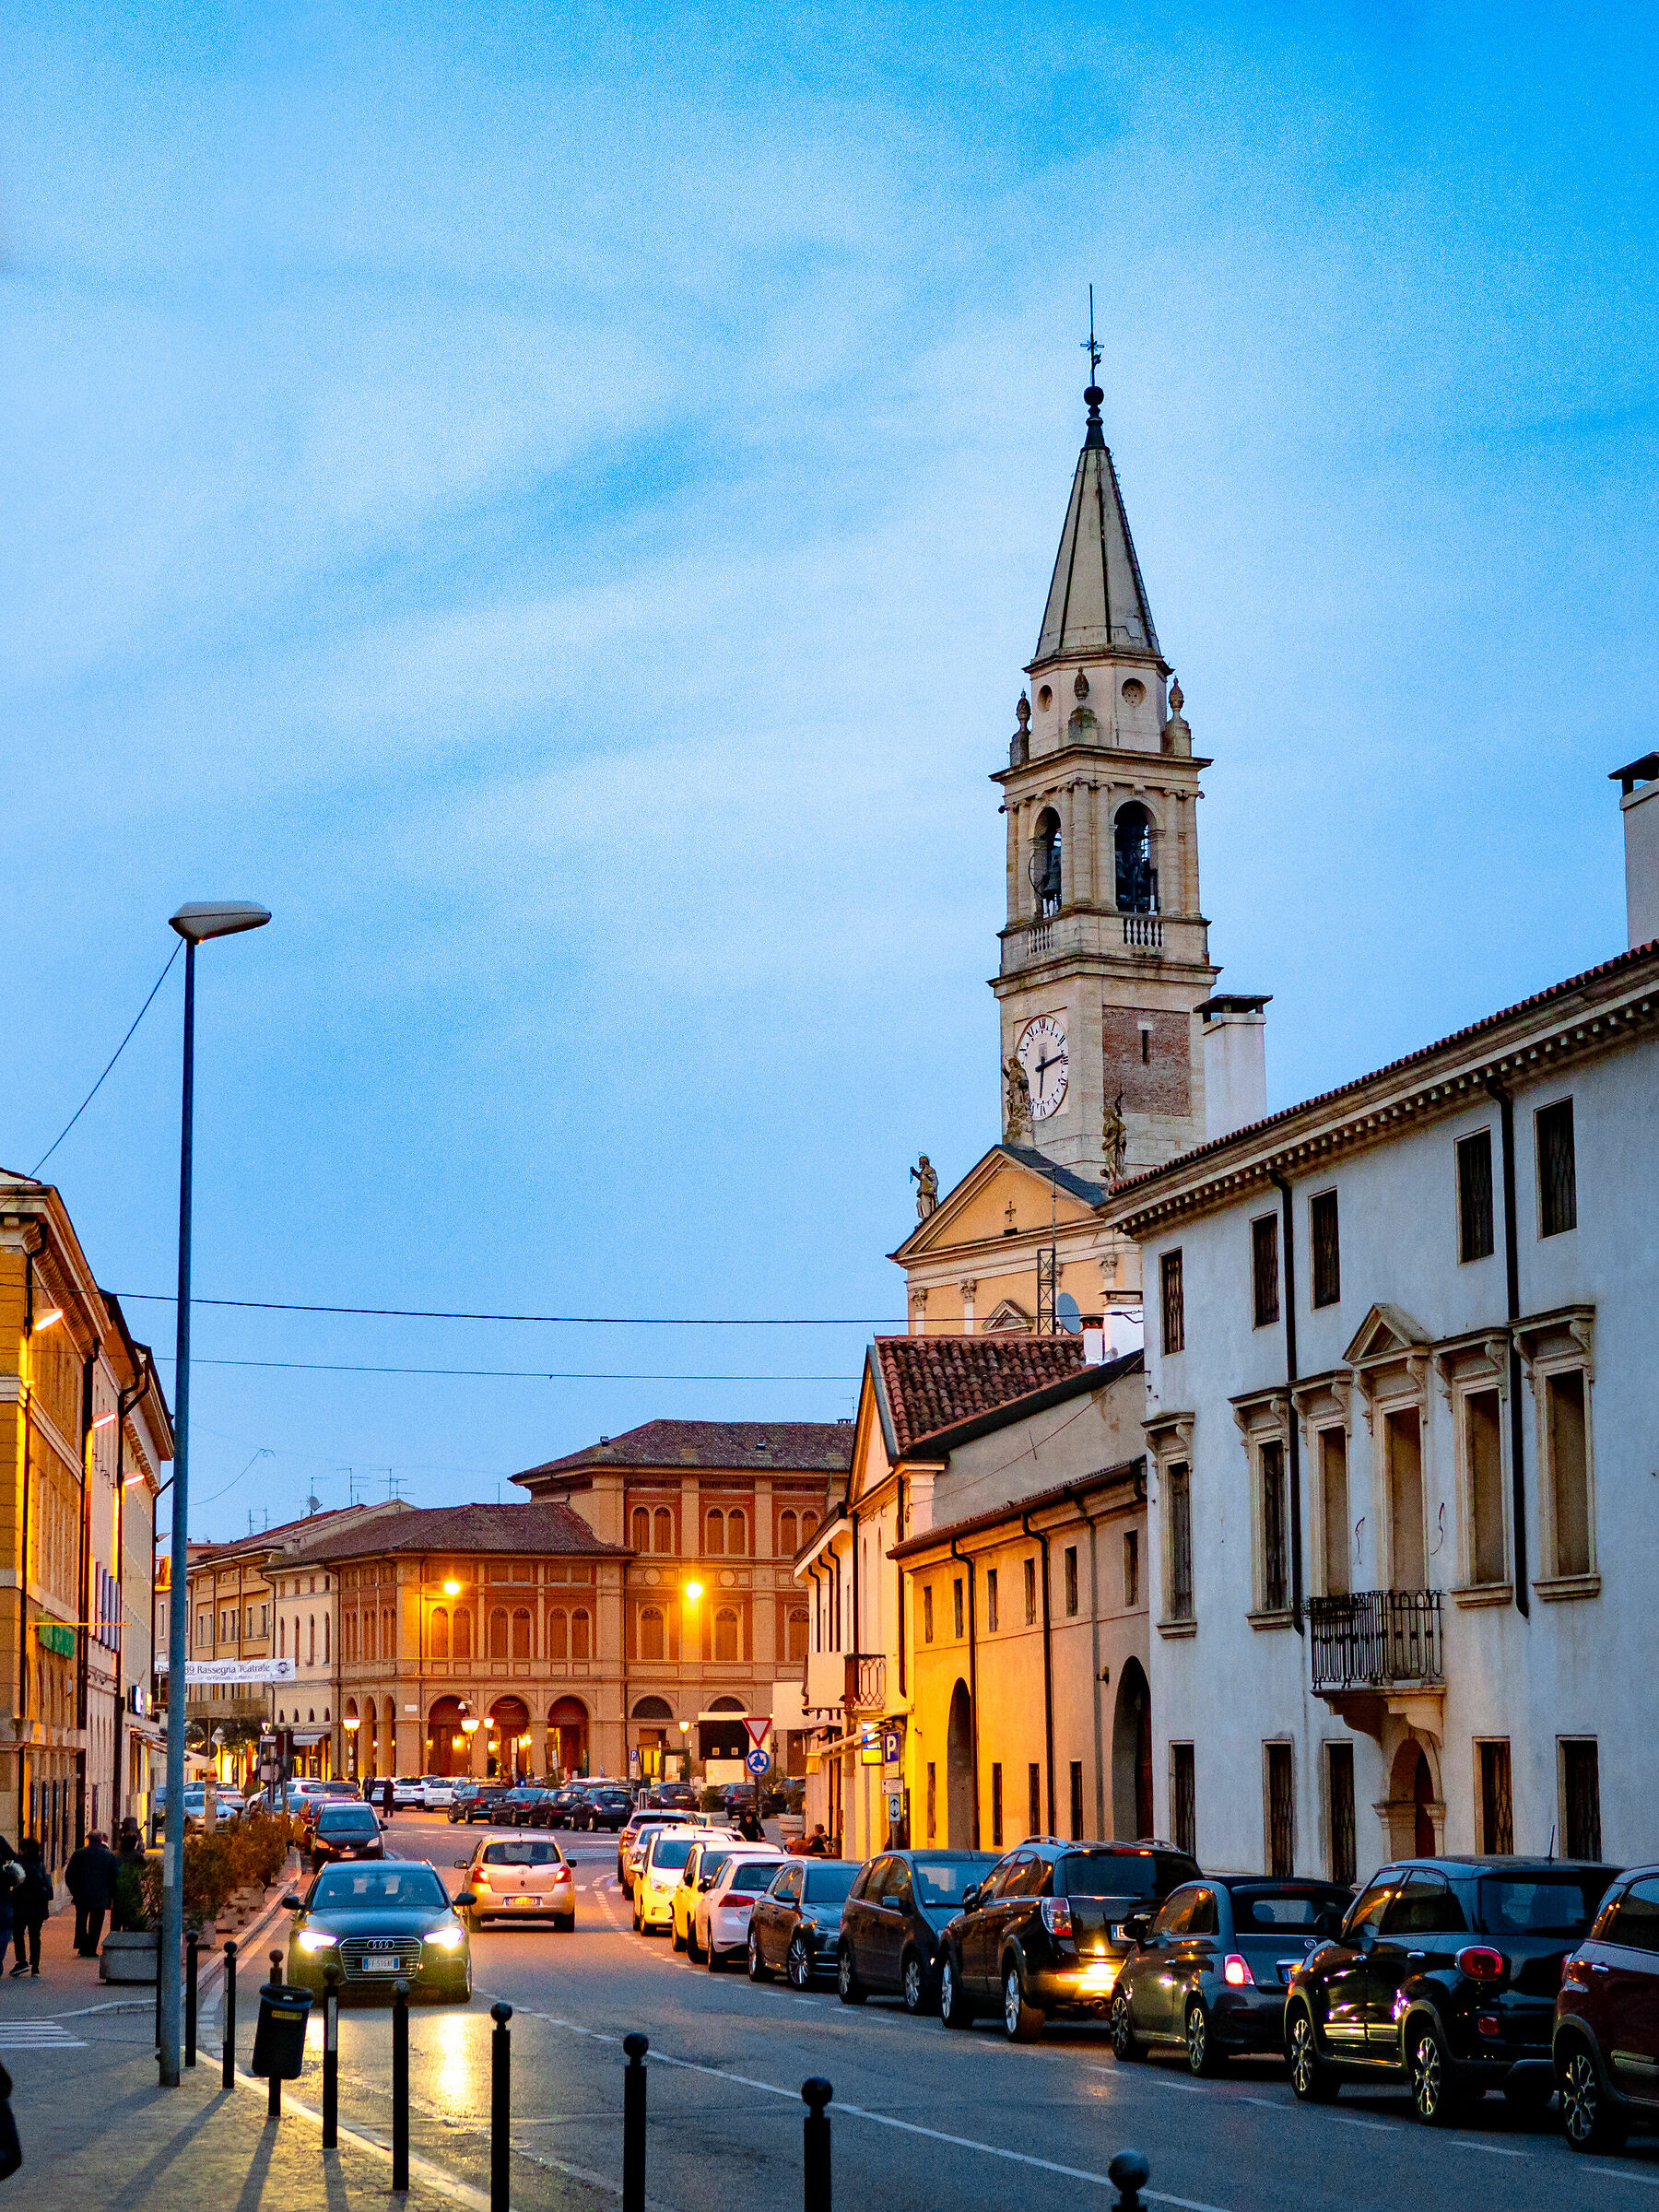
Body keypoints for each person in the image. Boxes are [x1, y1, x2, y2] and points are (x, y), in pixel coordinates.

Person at [65, 1830, 119, 1959]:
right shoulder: (108, 1856)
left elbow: (69, 1875)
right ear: (101, 1840)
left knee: (81, 1921)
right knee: (96, 1922)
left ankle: (82, 1946)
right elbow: (115, 1876)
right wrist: (111, 1893)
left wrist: (74, 1891)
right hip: (100, 1895)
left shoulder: (79, 1854)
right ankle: (91, 1948)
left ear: (88, 1839)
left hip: (82, 1894)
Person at [10, 1841, 51, 1976]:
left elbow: (14, 1883)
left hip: (21, 1905)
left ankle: (22, 1961)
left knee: (18, 1933)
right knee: (35, 1936)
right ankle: (35, 1967)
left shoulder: (19, 1864)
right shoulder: (40, 1864)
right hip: (38, 1906)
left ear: (25, 1850)